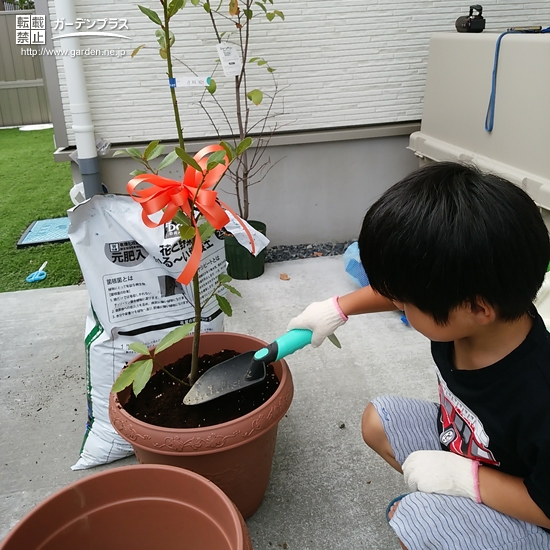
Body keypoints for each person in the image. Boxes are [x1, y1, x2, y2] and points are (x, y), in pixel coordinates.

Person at [287, 162, 550, 549]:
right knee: (379, 421)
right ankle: (455, 515)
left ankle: (463, 526)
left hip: (532, 508)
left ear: (476, 309)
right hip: (472, 448)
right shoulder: (470, 312)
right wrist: (337, 308)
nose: (397, 303)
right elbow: (411, 287)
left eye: (407, 302)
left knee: (417, 522)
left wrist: (466, 482)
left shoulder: (538, 395)